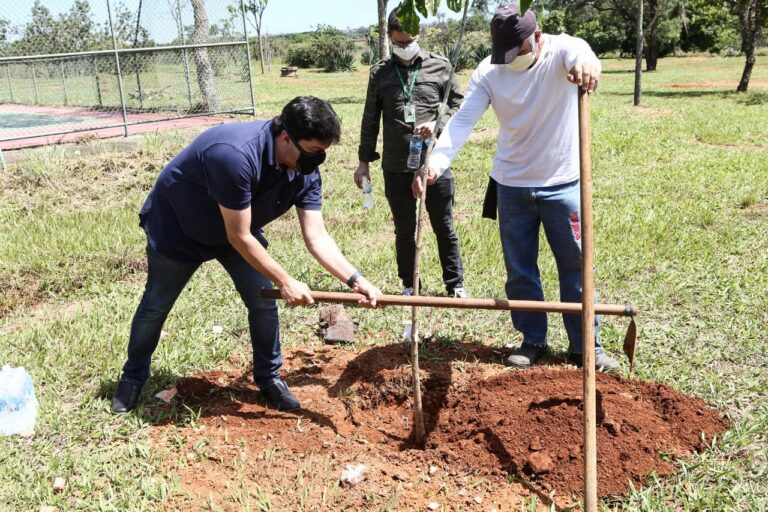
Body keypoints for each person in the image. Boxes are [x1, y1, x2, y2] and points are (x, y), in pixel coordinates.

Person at [112, 96, 381, 414]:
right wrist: (285, 280)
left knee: (262, 301)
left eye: (322, 154)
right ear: (285, 137)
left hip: (235, 229)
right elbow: (238, 235)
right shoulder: (235, 155)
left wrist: (356, 279)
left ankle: (268, 378)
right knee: (156, 306)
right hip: (179, 229)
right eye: (311, 152)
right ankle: (133, 377)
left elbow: (317, 236)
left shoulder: (305, 170)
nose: (316, 162)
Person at [413, 4, 620, 371]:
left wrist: (588, 65)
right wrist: (436, 164)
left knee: (576, 266)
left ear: (537, 37)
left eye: (519, 52)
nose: (512, 62)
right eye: (505, 55)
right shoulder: (490, 70)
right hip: (511, 185)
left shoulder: (562, 51)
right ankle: (533, 339)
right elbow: (462, 122)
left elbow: (583, 53)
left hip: (563, 184)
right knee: (520, 270)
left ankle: (586, 345)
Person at [354, 8, 468, 298]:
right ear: (389, 38)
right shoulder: (379, 73)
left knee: (444, 226)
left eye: (410, 41)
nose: (405, 48)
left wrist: (437, 123)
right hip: (395, 164)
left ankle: (455, 285)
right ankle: (410, 284)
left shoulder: (441, 67)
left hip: (433, 163)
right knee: (404, 230)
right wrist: (363, 163)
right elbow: (370, 119)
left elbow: (460, 107)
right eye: (399, 43)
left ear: (419, 36)